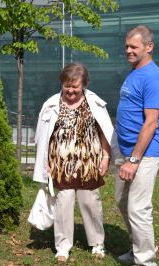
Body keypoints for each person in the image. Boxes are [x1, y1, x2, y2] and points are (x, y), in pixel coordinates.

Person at [33, 63, 119, 262]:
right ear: (62, 84)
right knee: (63, 204)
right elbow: (42, 136)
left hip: (88, 164)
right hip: (60, 166)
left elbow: (105, 133)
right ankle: (62, 246)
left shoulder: (94, 103)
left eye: (75, 87)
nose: (71, 91)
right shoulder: (51, 104)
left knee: (91, 204)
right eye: (67, 86)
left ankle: (97, 243)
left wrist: (105, 158)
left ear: (84, 85)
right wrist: (45, 161)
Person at [115, 25, 159, 266]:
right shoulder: (134, 72)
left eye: (134, 47)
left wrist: (134, 160)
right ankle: (139, 247)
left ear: (149, 47)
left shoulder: (154, 78)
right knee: (122, 202)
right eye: (127, 46)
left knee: (138, 208)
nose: (128, 50)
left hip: (144, 154)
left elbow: (151, 123)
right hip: (126, 150)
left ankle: (146, 261)